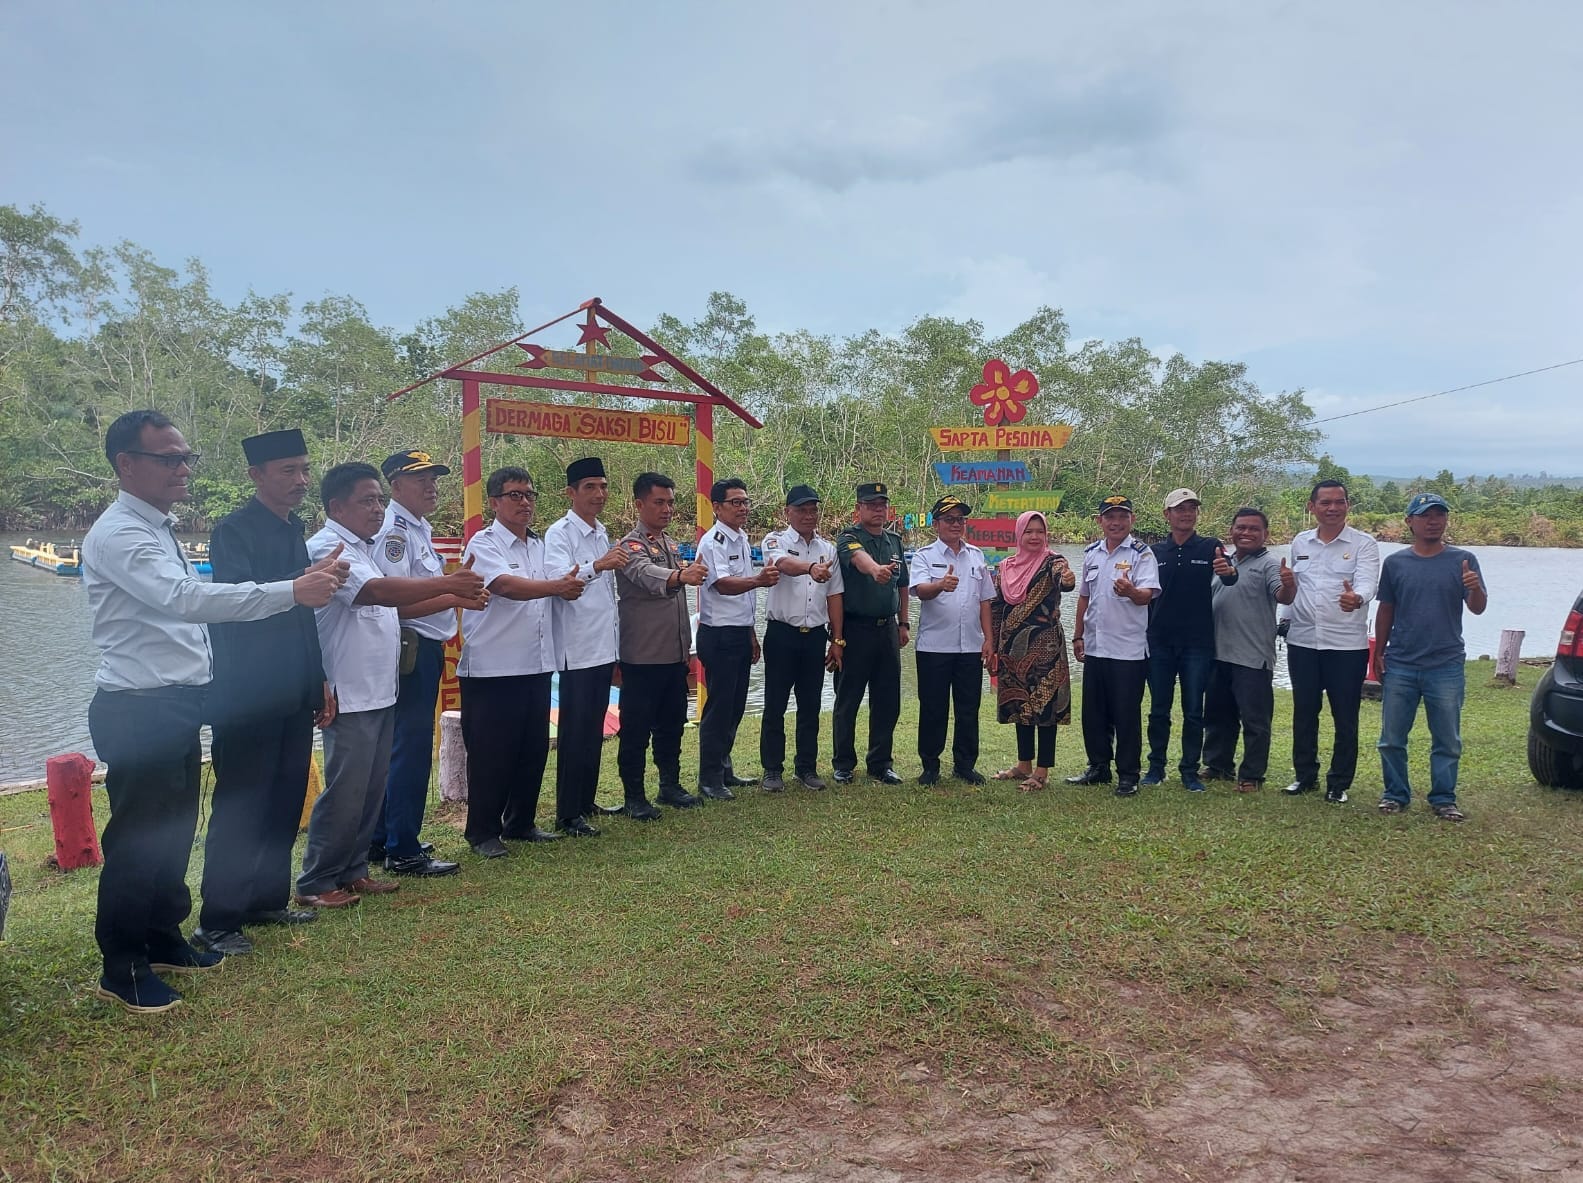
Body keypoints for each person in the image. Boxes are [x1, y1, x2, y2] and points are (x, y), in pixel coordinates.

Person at [82, 410, 345, 1013]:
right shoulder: (120, 533)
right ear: (127, 464)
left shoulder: (157, 528)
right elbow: (184, 600)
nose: (182, 469)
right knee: (140, 841)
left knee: (174, 833)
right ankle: (123, 966)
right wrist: (292, 590)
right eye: (168, 459)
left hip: (175, 702)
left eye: (185, 458)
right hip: (138, 707)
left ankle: (163, 937)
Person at [298, 463, 486, 902]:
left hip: (380, 686)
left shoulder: (363, 548)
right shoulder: (329, 547)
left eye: (379, 500)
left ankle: (354, 869)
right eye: (367, 501)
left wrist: (452, 593)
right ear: (336, 507)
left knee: (370, 786)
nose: (377, 509)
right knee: (345, 789)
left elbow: (389, 604)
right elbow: (376, 593)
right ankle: (317, 880)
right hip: (349, 688)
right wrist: (450, 584)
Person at [195, 428, 336, 959]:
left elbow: (304, 614)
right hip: (248, 691)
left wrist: (317, 678)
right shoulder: (232, 530)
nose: (301, 480)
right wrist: (304, 578)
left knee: (283, 797)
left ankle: (266, 899)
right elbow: (237, 603)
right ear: (256, 475)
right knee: (241, 805)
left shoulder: (293, 527)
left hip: (292, 687)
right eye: (288, 471)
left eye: (304, 469)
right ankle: (218, 920)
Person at [457, 467, 585, 857]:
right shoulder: (484, 543)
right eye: (515, 495)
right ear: (494, 502)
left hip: (536, 661)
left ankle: (521, 822)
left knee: (532, 749)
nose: (524, 502)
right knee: (492, 753)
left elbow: (560, 580)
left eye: (529, 494)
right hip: (494, 666)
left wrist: (574, 580)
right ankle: (482, 832)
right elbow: (504, 586)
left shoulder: (539, 545)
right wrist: (557, 587)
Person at [369, 449, 461, 877]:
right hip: (411, 646)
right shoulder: (395, 531)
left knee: (401, 744)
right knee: (410, 747)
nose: (431, 487)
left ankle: (383, 837)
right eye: (420, 479)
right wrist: (454, 594)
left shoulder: (417, 528)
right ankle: (403, 848)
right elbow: (395, 601)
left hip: (422, 645)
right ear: (395, 485)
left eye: (434, 478)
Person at [1375, 493, 1488, 820]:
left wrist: (1474, 586)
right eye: (1425, 515)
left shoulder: (1463, 560)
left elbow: (1478, 608)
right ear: (1410, 521)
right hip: (1402, 663)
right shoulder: (1395, 563)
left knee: (1447, 739)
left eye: (1439, 515)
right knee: (1392, 738)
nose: (1433, 521)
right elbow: (1386, 609)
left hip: (1445, 664)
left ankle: (1443, 798)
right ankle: (1395, 795)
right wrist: (1378, 652)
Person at [543, 457, 630, 833]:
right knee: (575, 730)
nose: (599, 494)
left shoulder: (600, 531)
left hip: (602, 645)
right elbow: (559, 580)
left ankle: (585, 800)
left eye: (603, 486)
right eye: (590, 487)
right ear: (571, 492)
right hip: (576, 647)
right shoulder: (559, 533)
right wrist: (599, 564)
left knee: (593, 728)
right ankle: (567, 813)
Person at [615, 472, 709, 813]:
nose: (667, 509)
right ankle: (634, 796)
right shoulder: (630, 546)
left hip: (674, 654)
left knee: (672, 725)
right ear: (639, 505)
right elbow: (644, 574)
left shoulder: (669, 544)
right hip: (643, 656)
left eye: (670, 502)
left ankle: (669, 785)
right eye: (659, 502)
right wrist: (680, 575)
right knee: (636, 730)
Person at [1282, 479, 1380, 805]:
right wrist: (1284, 620)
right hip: (1303, 641)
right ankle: (1304, 776)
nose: (1333, 508)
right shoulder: (1300, 542)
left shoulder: (1364, 544)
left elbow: (1367, 583)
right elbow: (1294, 585)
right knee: (1304, 712)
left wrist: (1357, 598)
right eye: (1325, 502)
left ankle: (1338, 783)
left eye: (1339, 502)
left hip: (1346, 645)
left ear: (1348, 505)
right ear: (1312, 507)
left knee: (1345, 716)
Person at [1143, 489, 1238, 792]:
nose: (1186, 513)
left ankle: (1189, 771)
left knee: (1194, 711)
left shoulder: (1211, 546)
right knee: (1159, 709)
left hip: (1197, 643)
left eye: (1191, 508)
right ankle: (1156, 768)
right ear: (1167, 514)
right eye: (1179, 508)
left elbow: (1230, 575)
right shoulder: (1153, 552)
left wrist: (1228, 571)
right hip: (1159, 641)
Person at [1066, 495, 1161, 797]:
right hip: (1096, 645)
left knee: (1126, 714)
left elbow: (1147, 596)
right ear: (1100, 521)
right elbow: (1084, 596)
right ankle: (1098, 767)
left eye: (1122, 516)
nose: (1116, 522)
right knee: (1094, 713)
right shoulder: (1092, 553)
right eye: (1110, 517)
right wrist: (1078, 635)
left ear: (1132, 520)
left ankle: (1128, 775)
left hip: (1127, 649)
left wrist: (1132, 591)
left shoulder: (1142, 554)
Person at [694, 478, 779, 800]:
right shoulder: (712, 542)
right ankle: (709, 778)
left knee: (735, 706)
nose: (743, 508)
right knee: (719, 708)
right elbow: (722, 585)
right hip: (718, 634)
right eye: (735, 502)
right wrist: (759, 580)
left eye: (745, 502)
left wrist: (751, 633)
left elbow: (743, 598)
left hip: (739, 631)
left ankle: (724, 767)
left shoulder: (741, 538)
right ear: (717, 507)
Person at [1202, 508, 1296, 792]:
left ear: (1265, 534)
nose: (1246, 533)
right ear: (1231, 530)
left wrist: (1289, 585)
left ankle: (1252, 775)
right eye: (1241, 527)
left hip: (1252, 656)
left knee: (1255, 720)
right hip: (1218, 653)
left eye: (1254, 529)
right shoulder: (1222, 562)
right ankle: (1218, 765)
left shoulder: (1269, 564)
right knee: (1218, 716)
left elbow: (1283, 595)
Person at [758, 485, 844, 791]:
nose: (808, 516)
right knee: (775, 704)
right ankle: (772, 769)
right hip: (782, 633)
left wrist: (837, 639)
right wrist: (810, 568)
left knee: (810, 705)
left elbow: (834, 595)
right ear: (788, 512)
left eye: (813, 510)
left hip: (815, 637)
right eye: (801, 510)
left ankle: (806, 767)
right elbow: (781, 564)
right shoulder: (774, 540)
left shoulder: (828, 549)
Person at [989, 510, 1076, 791]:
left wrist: (1068, 579)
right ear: (1019, 534)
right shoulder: (1005, 567)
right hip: (1011, 648)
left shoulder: (1053, 562)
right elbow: (996, 607)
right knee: (1020, 705)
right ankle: (1023, 764)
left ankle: (1041, 771)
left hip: (1045, 648)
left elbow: (1065, 580)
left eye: (1040, 531)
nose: (1035, 536)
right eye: (1029, 531)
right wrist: (992, 645)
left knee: (1045, 706)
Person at [911, 494, 995, 785]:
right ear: (936, 524)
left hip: (970, 646)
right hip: (934, 646)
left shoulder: (977, 556)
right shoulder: (924, 556)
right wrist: (940, 585)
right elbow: (920, 591)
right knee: (933, 708)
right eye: (949, 519)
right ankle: (930, 766)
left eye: (960, 519)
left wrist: (989, 639)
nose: (956, 524)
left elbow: (985, 600)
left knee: (968, 708)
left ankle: (965, 764)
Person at [831, 482, 910, 784]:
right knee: (848, 699)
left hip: (887, 628)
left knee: (888, 699)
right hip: (855, 629)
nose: (878, 510)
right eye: (871, 505)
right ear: (859, 509)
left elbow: (903, 585)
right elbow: (859, 559)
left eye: (882, 505)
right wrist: (876, 570)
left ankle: (880, 763)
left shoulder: (894, 541)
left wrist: (903, 623)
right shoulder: (849, 537)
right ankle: (843, 763)